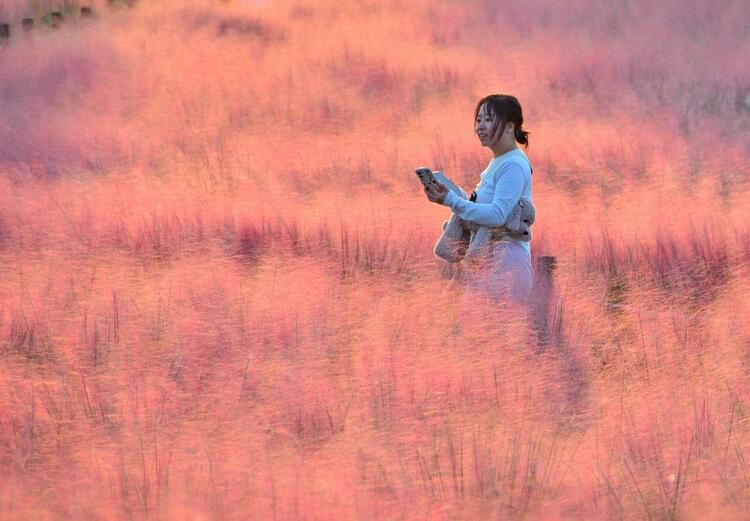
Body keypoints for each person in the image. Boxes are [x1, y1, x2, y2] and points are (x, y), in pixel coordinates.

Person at [424, 93, 535, 306]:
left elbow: (497, 215)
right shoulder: (500, 162)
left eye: (489, 119)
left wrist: (452, 201)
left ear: (510, 127)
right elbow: (484, 209)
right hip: (490, 260)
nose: (480, 126)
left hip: (506, 261)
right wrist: (450, 195)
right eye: (479, 120)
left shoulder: (514, 165)